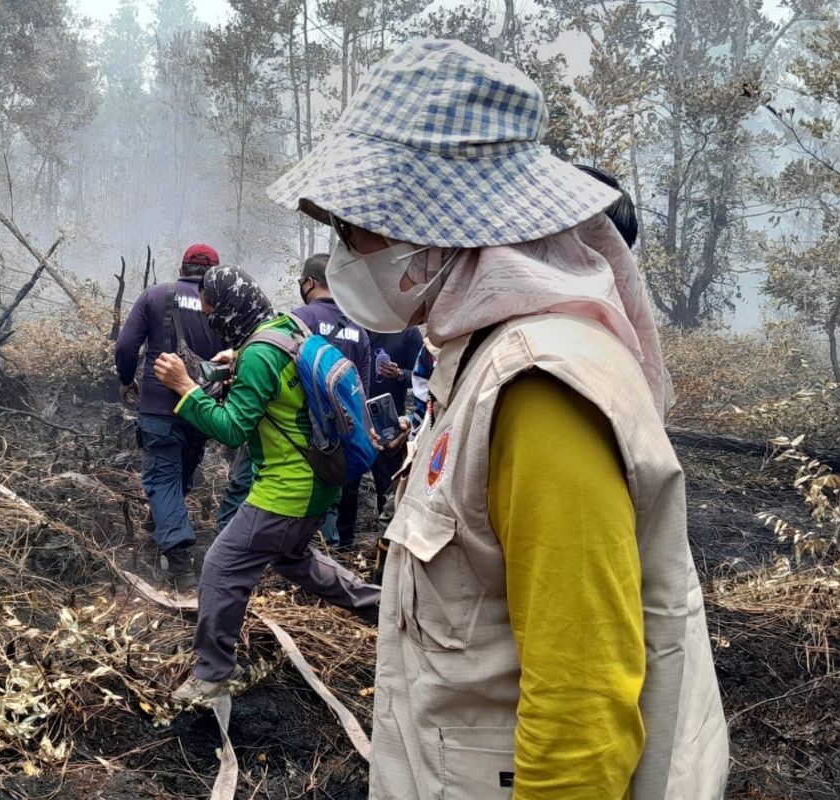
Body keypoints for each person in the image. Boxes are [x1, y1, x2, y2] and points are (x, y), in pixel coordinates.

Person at [267, 39, 728, 799]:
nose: (344, 250)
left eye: (356, 226)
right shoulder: (483, 356)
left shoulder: (540, 390)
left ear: (442, 218)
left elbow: (581, 710)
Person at [153, 265, 380, 706]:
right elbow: (282, 379)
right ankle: (388, 612)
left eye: (211, 308)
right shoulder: (285, 329)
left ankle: (214, 673)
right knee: (295, 560)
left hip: (286, 491)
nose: (209, 317)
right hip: (320, 483)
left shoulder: (259, 353)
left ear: (231, 308)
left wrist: (184, 387)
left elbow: (233, 428)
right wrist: (236, 361)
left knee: (220, 566)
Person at [215, 254, 372, 551]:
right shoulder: (359, 330)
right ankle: (328, 550)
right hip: (338, 433)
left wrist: (237, 359)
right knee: (329, 491)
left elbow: (273, 358)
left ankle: (234, 544)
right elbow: (362, 389)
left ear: (309, 283)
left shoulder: (299, 319)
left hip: (291, 424)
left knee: (246, 479)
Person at [113, 243, 224, 592]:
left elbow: (126, 346)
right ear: (212, 273)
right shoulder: (220, 304)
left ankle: (179, 564)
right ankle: (162, 519)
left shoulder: (155, 295)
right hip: (200, 407)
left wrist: (126, 378)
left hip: (159, 408)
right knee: (179, 471)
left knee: (162, 479)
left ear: (181, 266)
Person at [365, 326, 422, 525]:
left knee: (387, 483)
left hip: (388, 420)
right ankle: (343, 541)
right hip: (354, 416)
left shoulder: (407, 331)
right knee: (347, 486)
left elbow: (422, 378)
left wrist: (398, 374)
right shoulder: (353, 326)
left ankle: (387, 538)